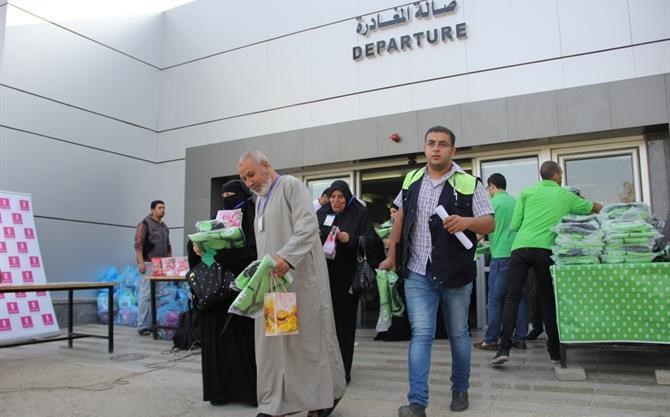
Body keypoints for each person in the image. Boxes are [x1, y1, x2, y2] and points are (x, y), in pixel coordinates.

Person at [379, 126, 495, 416]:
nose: (436, 148)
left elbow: (489, 223)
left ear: (452, 150)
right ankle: (417, 402)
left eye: (443, 144)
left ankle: (460, 388)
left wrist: (466, 222)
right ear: (425, 147)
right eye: (431, 143)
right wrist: (392, 255)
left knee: (458, 333)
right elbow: (399, 219)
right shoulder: (412, 179)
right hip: (418, 271)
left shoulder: (469, 182)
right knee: (421, 334)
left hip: (455, 272)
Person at [237, 150, 346, 417]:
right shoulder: (260, 200)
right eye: (244, 178)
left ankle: (324, 398)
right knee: (279, 344)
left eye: (251, 175)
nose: (249, 183)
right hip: (276, 287)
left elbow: (308, 227)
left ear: (266, 165)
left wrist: (286, 257)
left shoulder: (290, 186)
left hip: (302, 281)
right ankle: (276, 403)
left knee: (310, 343)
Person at [491, 161, 602, 366]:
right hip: (546, 250)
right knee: (547, 300)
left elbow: (515, 224)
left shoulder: (527, 192)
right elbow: (591, 208)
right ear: (558, 174)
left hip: (520, 248)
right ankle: (554, 352)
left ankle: (503, 349)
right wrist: (608, 208)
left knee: (511, 298)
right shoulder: (566, 196)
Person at [187, 179, 257, 406]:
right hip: (216, 295)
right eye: (224, 196)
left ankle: (247, 392)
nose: (227, 200)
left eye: (232, 195)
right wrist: (200, 251)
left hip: (241, 293)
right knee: (218, 344)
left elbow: (253, 254)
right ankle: (220, 392)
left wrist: (223, 255)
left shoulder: (253, 220)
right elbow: (208, 262)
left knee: (242, 344)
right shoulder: (217, 221)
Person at [317, 180, 382, 384]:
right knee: (323, 325)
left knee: (343, 325)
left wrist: (349, 239)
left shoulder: (359, 214)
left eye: (340, 197)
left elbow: (372, 241)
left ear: (348, 197)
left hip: (346, 278)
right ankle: (325, 369)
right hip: (323, 276)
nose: (336, 201)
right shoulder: (322, 213)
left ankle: (343, 371)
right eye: (333, 197)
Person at [474, 173, 529, 351]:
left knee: (495, 300)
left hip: (500, 256)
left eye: (488, 188)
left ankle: (491, 340)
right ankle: (520, 339)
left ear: (492, 186)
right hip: (519, 254)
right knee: (520, 297)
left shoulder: (492, 204)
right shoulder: (516, 202)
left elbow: (482, 230)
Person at [135, 200, 172, 336]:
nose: (162, 210)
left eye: (164, 207)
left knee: (157, 295)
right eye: (159, 207)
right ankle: (142, 325)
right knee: (146, 295)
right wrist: (141, 263)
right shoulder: (144, 224)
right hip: (149, 263)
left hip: (161, 264)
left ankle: (152, 325)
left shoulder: (164, 227)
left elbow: (168, 246)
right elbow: (138, 244)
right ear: (152, 210)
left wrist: (169, 262)